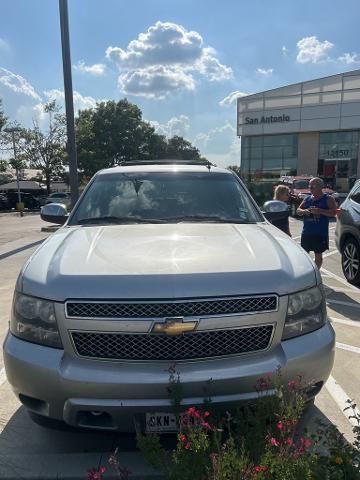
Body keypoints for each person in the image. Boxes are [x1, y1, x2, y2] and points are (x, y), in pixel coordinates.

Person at [297, 177, 337, 269]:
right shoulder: (307, 198)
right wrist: (305, 211)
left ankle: (315, 273)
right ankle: (304, 272)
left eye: (312, 186)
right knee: (303, 254)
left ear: (320, 187)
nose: (310, 188)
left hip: (320, 233)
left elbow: (334, 212)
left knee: (318, 255)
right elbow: (298, 210)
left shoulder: (328, 198)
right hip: (306, 232)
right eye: (309, 186)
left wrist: (320, 211)